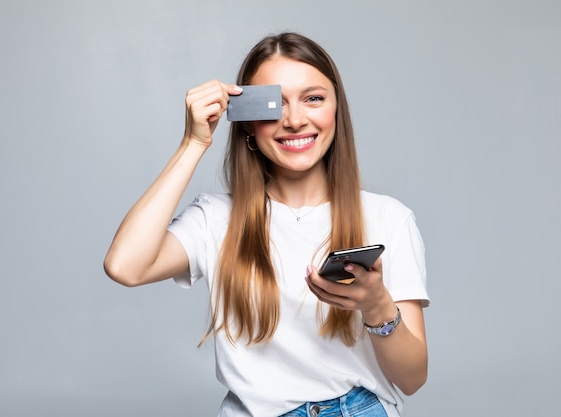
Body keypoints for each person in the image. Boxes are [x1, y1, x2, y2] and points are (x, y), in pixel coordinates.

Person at [104, 32, 429, 417]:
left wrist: (377, 307)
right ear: (246, 123)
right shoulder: (215, 219)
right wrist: (192, 143)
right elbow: (124, 266)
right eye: (275, 104)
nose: (294, 120)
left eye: (313, 98)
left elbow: (412, 379)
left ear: (336, 112)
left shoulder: (388, 217)